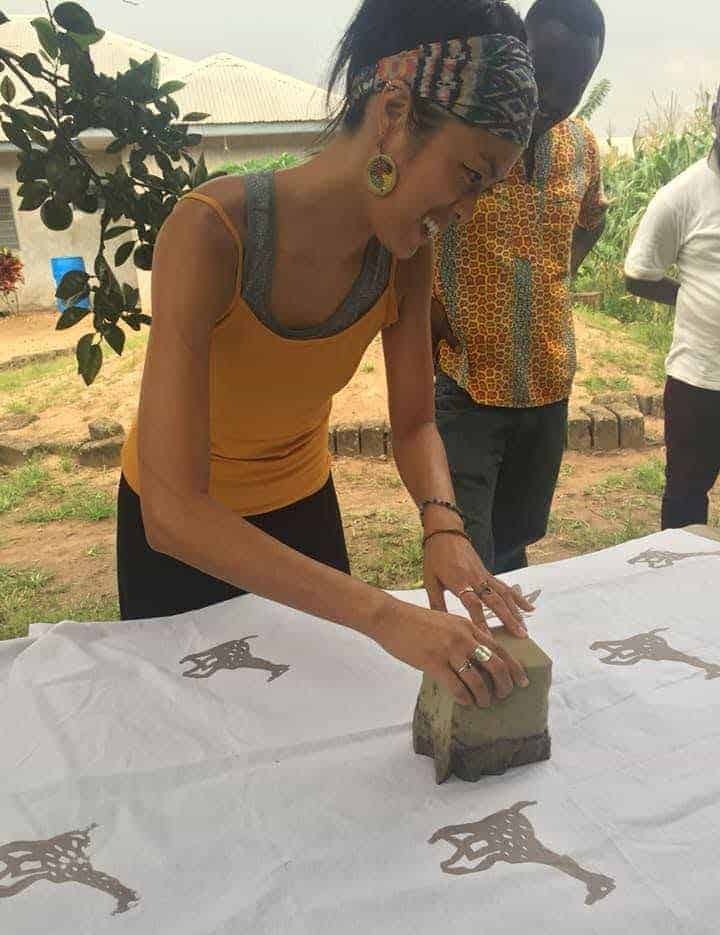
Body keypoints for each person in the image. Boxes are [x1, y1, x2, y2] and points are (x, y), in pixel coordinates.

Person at [116, 0, 540, 708]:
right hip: (182, 542)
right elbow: (173, 509)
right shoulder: (211, 234)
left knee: (314, 723)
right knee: (191, 738)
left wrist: (443, 526)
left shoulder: (406, 254)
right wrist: (382, 613)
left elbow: (413, 423)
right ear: (396, 113)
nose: (464, 210)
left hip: (304, 513)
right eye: (469, 175)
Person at [431, 0, 606, 574]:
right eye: (542, 73)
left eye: (573, 85)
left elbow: (590, 222)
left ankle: (512, 657)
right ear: (517, 53)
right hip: (467, 383)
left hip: (547, 383)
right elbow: (407, 228)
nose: (552, 98)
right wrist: (425, 311)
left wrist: (558, 275)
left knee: (516, 544)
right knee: (467, 553)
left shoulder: (581, 148)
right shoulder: (461, 135)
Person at [624, 86, 720, 531]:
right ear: (716, 116)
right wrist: (694, 299)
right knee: (685, 497)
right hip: (698, 380)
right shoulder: (681, 196)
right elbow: (639, 275)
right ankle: (682, 595)